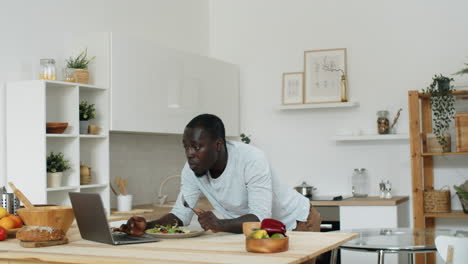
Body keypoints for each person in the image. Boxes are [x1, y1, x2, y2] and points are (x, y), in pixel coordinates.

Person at [120, 114, 321, 236]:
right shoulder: (191, 168)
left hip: (296, 222)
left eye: (196, 147)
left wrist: (219, 223)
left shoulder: (251, 159)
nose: (190, 154)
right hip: (250, 230)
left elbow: (260, 218)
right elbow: (181, 214)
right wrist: (147, 225)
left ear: (217, 145)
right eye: (186, 147)